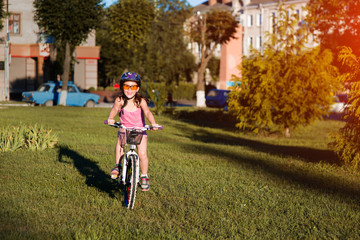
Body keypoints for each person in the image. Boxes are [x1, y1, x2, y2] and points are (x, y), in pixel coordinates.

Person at [107, 72, 159, 191]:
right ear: (122, 87)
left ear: (138, 88)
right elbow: (114, 109)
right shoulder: (120, 100)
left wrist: (153, 123)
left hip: (140, 131)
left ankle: (144, 176)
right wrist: (111, 118)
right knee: (121, 144)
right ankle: (118, 166)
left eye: (133, 87)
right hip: (125, 129)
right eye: (126, 86)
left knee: (142, 154)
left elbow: (147, 112)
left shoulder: (140, 101)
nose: (129, 90)